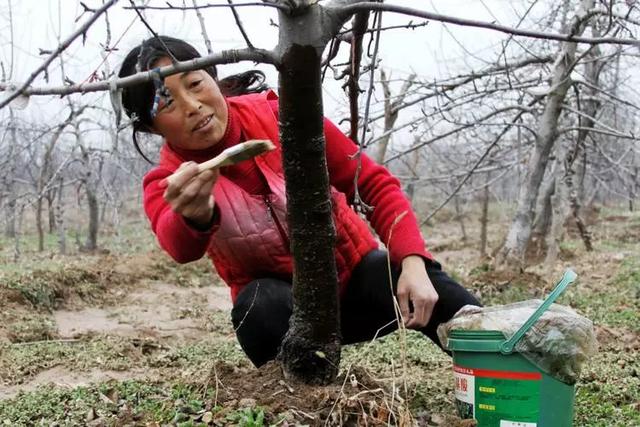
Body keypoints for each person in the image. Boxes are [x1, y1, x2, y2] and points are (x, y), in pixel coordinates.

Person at [118, 36, 481, 367]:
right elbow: (178, 245)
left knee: (427, 286)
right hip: (285, 318)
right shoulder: (169, 182)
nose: (193, 105)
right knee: (256, 305)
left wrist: (412, 264)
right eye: (166, 102)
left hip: (356, 285)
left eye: (195, 83)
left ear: (213, 78)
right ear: (151, 128)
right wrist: (195, 216)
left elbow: (371, 182)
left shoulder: (282, 117)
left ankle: (503, 368)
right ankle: (308, 395)